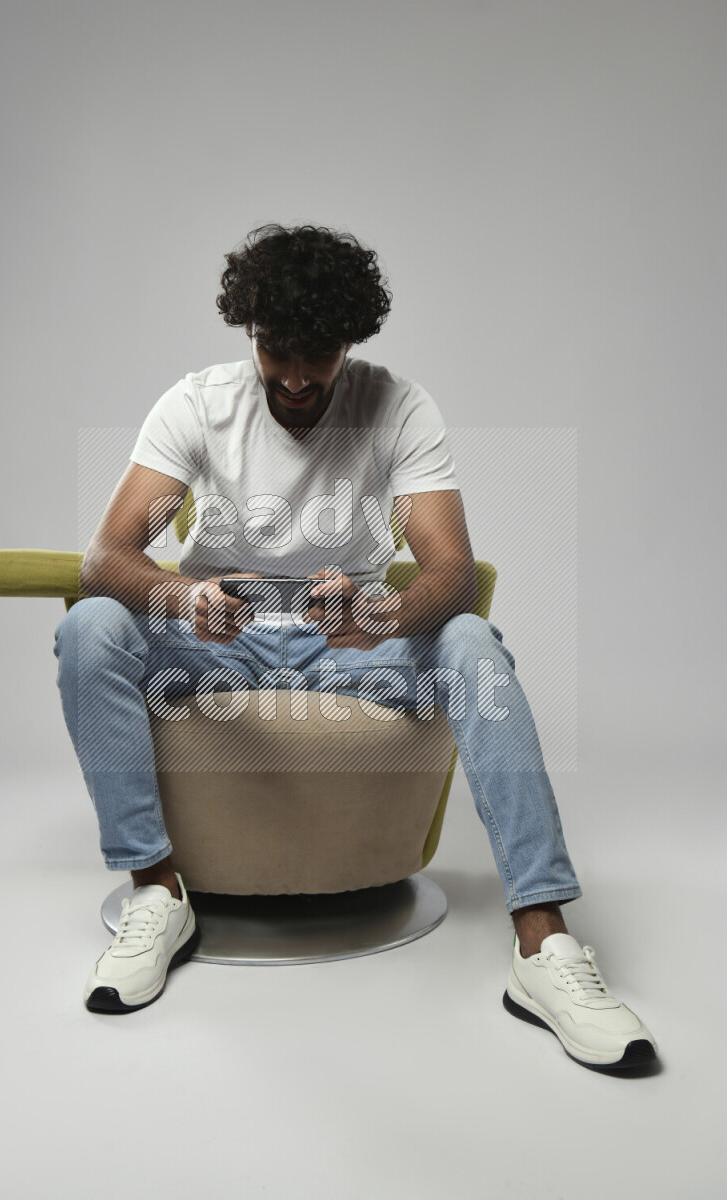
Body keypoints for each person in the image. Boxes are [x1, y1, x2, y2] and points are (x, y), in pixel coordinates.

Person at [54, 223, 658, 1070]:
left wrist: (378, 616)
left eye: (319, 355)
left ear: (352, 340)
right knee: (90, 626)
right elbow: (105, 557)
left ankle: (542, 943)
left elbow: (450, 572)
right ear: (250, 332)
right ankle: (157, 890)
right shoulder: (198, 405)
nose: (297, 377)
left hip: (349, 644)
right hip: (220, 641)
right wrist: (182, 596)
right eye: (278, 352)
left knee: (472, 642)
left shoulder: (398, 407)